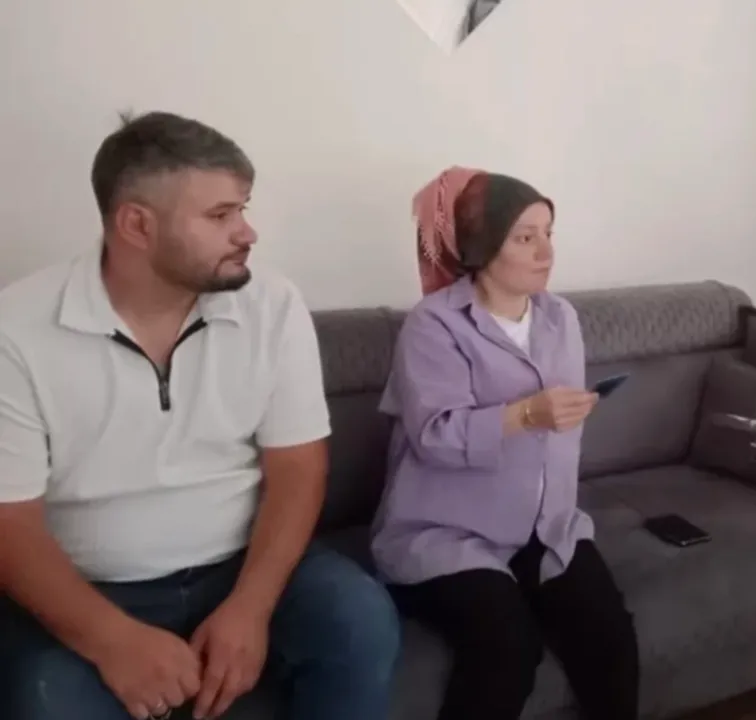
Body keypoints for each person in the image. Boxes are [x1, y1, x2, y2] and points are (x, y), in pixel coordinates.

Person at [0, 112, 401, 720]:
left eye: (243, 208)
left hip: (239, 562)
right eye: (220, 216)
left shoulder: (272, 304)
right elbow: (11, 521)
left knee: (359, 620)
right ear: (137, 224)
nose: (247, 232)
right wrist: (112, 640)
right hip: (92, 584)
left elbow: (298, 467)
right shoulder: (18, 330)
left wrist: (251, 607)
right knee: (45, 697)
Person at [372, 167, 639, 720]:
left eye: (549, 233)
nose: (546, 252)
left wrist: (558, 417)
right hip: (448, 533)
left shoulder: (560, 318)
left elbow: (559, 444)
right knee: (507, 648)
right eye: (525, 237)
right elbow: (434, 435)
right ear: (482, 245)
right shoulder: (433, 325)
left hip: (546, 527)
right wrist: (526, 414)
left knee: (609, 638)